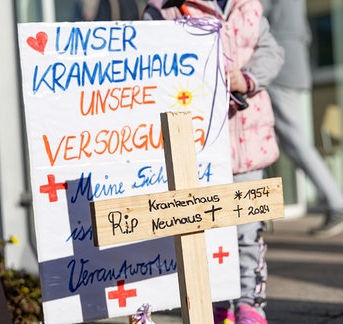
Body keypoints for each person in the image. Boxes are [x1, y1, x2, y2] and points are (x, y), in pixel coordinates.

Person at [143, 1, 284, 323]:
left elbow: (272, 51)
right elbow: (149, 65)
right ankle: (216, 305)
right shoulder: (164, 9)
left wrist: (246, 79)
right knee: (205, 234)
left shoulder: (246, 5)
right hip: (197, 148)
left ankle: (250, 307)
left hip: (248, 143)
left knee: (248, 234)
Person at [261, 0, 343, 238]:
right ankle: (334, 205)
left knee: (295, 143)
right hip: (295, 67)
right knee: (290, 143)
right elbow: (305, 33)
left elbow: (251, 18)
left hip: (278, 70)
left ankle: (337, 205)